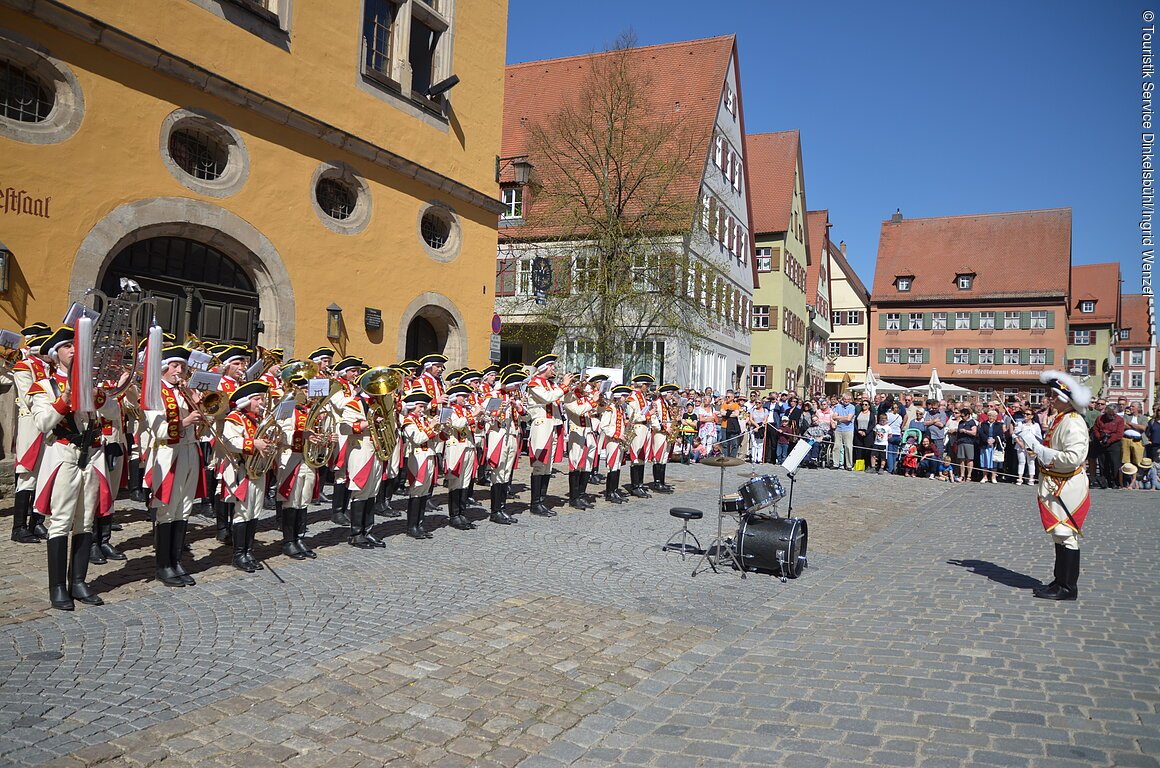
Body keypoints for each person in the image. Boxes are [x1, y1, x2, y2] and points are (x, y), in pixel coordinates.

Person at [29, 326, 122, 610]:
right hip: (64, 453)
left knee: (85, 520)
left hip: (92, 453)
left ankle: (79, 582)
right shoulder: (45, 386)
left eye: (76, 344)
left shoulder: (93, 384)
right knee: (61, 520)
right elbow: (42, 423)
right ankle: (58, 587)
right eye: (67, 345)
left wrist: (100, 397)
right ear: (56, 355)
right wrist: (66, 398)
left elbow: (114, 414)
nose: (73, 349)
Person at [1015, 370, 1091, 601]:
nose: (1050, 399)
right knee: (1060, 534)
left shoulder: (1074, 423)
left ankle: (1068, 587)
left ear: (1065, 399)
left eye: (1054, 396)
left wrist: (1037, 448)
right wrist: (1030, 441)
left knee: (1066, 534)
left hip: (1066, 486)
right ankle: (1060, 580)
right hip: (1056, 482)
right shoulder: (1062, 418)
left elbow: (1072, 458)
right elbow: (1051, 450)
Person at [220, 380, 277, 571]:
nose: (262, 402)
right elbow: (230, 441)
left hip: (257, 470)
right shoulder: (235, 417)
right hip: (241, 470)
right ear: (246, 401)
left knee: (254, 510)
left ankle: (248, 551)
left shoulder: (259, 419)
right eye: (257, 399)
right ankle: (239, 554)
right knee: (242, 512)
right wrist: (254, 444)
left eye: (262, 398)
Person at [526, 355, 573, 514]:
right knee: (540, 465)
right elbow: (548, 398)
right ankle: (535, 504)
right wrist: (564, 386)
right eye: (551, 366)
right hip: (542, 426)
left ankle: (541, 501)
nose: (554, 368)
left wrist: (569, 388)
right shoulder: (534, 383)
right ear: (544, 367)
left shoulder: (551, 385)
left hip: (553, 426)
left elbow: (561, 399)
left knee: (548, 466)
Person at [599, 385, 632, 502]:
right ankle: (610, 493)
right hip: (613, 441)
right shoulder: (611, 408)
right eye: (624, 396)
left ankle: (614, 491)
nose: (625, 398)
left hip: (620, 441)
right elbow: (604, 425)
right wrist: (617, 435)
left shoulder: (620, 408)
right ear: (618, 397)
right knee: (612, 467)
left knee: (617, 466)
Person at [1092, 404, 1125, 489]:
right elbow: (1095, 430)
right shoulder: (1100, 418)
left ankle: (1115, 482)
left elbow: (1119, 434)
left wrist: (1109, 441)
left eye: (1114, 414)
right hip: (1101, 442)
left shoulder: (1119, 420)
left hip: (1114, 443)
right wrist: (1100, 438)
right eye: (1110, 414)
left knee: (1114, 463)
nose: (1112, 416)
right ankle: (1105, 481)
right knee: (1103, 463)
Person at [1015, 409, 1042, 485]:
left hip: (1031, 446)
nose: (1025, 415)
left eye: (1027, 414)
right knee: (1021, 462)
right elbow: (1015, 434)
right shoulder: (1020, 424)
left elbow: (1039, 436)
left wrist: (1036, 445)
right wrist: (1019, 442)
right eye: (1024, 414)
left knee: (1031, 462)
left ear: (1032, 416)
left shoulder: (1035, 425)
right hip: (1021, 445)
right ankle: (1020, 478)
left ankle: (1031, 478)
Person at [977, 410, 1004, 484]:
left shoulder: (999, 425)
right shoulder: (984, 424)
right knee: (984, 460)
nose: (991, 417)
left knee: (993, 461)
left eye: (993, 416)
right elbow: (981, 433)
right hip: (985, 445)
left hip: (994, 446)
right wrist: (987, 440)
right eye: (989, 415)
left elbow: (1000, 435)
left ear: (996, 417)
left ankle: (993, 476)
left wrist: (994, 440)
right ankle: (985, 476)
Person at [831, 393, 856, 470]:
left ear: (850, 400)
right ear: (842, 399)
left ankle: (849, 465)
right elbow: (834, 417)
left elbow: (849, 419)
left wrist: (839, 418)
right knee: (837, 446)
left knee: (848, 447)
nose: (846, 401)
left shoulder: (852, 407)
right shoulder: (838, 406)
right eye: (845, 399)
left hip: (848, 430)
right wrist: (844, 417)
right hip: (838, 429)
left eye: (848, 400)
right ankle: (836, 463)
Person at [955, 407, 977, 483]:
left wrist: (965, 431)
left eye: (963, 416)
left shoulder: (972, 422)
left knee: (969, 459)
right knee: (961, 459)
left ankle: (969, 476)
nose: (962, 417)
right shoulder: (960, 422)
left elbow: (974, 432)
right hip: (961, 442)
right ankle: (962, 475)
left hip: (969, 442)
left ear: (968, 415)